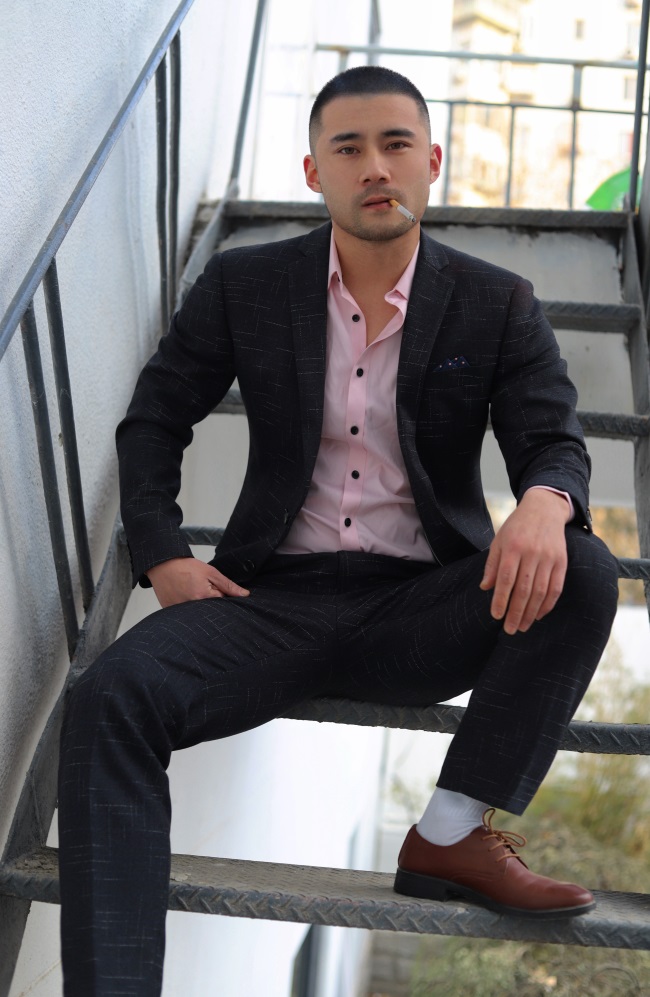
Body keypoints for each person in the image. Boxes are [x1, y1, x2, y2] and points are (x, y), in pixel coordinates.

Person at [58, 66, 619, 995]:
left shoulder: (498, 300)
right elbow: (155, 417)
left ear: (432, 161)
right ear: (314, 172)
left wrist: (546, 502)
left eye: (396, 144)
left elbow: (553, 439)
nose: (375, 167)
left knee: (587, 569)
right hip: (268, 602)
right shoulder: (247, 284)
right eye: (348, 148)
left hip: (421, 611)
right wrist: (162, 551)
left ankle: (448, 833)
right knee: (110, 695)